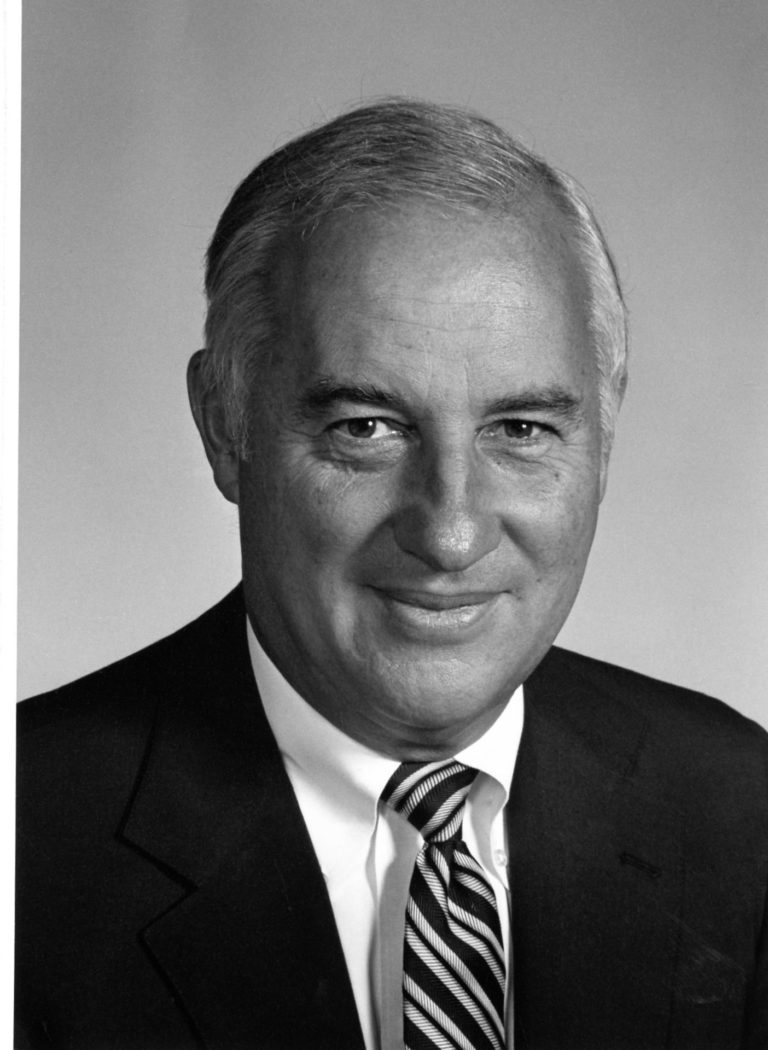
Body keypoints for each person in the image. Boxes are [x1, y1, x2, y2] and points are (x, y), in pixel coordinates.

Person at [16, 99, 767, 1050]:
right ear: (223, 425)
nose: (450, 533)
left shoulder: (738, 810)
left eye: (522, 430)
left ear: (606, 435)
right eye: (365, 428)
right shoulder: (27, 841)